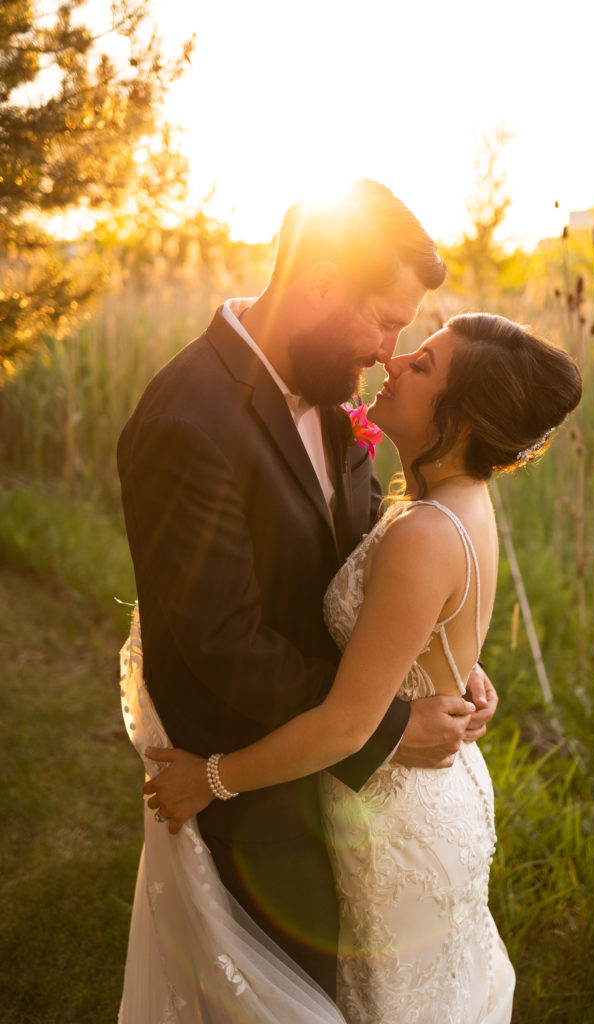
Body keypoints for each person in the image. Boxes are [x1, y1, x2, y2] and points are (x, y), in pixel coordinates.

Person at [117, 181, 498, 1019]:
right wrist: (388, 726)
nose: (391, 351)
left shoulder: (330, 389)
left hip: (334, 775)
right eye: (386, 319)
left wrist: (438, 665)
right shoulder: (187, 419)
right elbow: (218, 642)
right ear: (321, 284)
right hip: (254, 796)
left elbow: (365, 559)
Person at [142, 313, 583, 1023]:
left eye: (424, 364)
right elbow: (430, 629)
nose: (396, 358)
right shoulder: (456, 504)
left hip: (395, 818)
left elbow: (346, 727)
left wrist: (210, 780)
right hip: (435, 793)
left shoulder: (425, 534)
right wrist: (452, 674)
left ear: (461, 417)